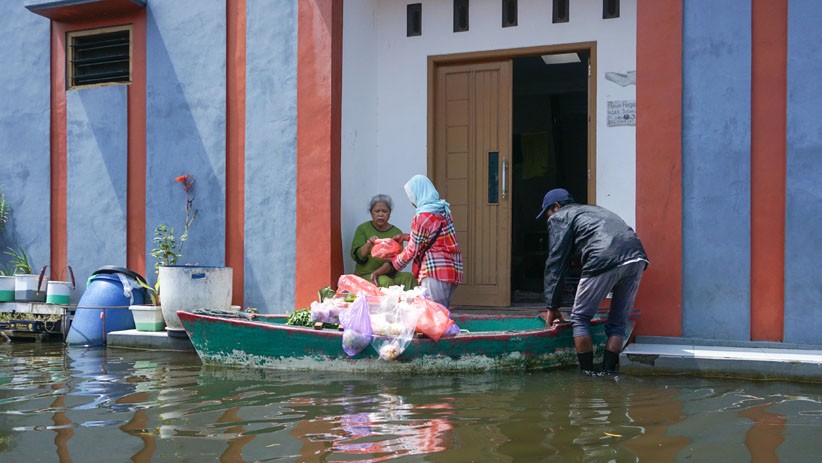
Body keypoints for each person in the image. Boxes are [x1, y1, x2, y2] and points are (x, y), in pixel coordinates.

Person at [537, 188, 648, 375]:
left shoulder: (560, 216)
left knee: (580, 317)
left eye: (547, 212)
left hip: (604, 257)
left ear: (556, 207)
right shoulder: (593, 210)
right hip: (637, 257)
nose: (548, 218)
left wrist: (552, 305)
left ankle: (587, 376)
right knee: (619, 321)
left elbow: (556, 262)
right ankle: (608, 373)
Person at [371, 175, 463, 309]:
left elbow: (412, 250)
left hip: (434, 272)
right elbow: (434, 237)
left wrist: (394, 264)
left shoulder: (422, 217)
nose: (411, 201)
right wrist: (405, 237)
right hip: (451, 268)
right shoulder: (443, 210)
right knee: (442, 312)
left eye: (411, 196)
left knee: (434, 314)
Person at [350, 194, 418, 289]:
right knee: (384, 281)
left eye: (384, 211)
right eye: (377, 211)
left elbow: (395, 261)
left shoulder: (396, 232)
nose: (380, 214)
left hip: (390, 273)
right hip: (367, 274)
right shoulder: (362, 229)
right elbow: (357, 256)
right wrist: (369, 243)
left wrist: (377, 272)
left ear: (390, 213)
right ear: (371, 213)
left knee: (410, 277)